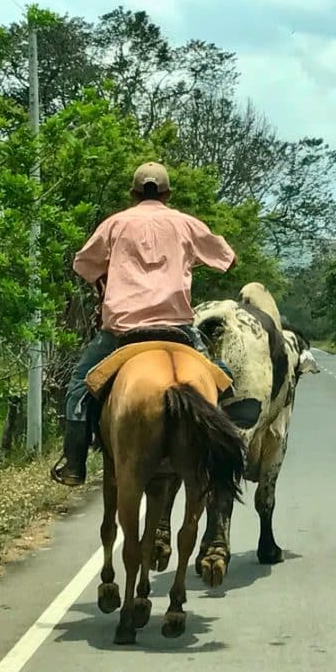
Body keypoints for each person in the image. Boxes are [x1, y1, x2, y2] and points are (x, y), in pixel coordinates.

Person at [50, 161, 237, 487]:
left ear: (133, 193)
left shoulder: (115, 223)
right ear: (168, 193)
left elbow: (83, 264)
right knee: (224, 380)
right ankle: (226, 447)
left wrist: (107, 277)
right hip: (178, 330)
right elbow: (228, 259)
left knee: (79, 387)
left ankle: (74, 463)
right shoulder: (185, 224)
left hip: (123, 331)